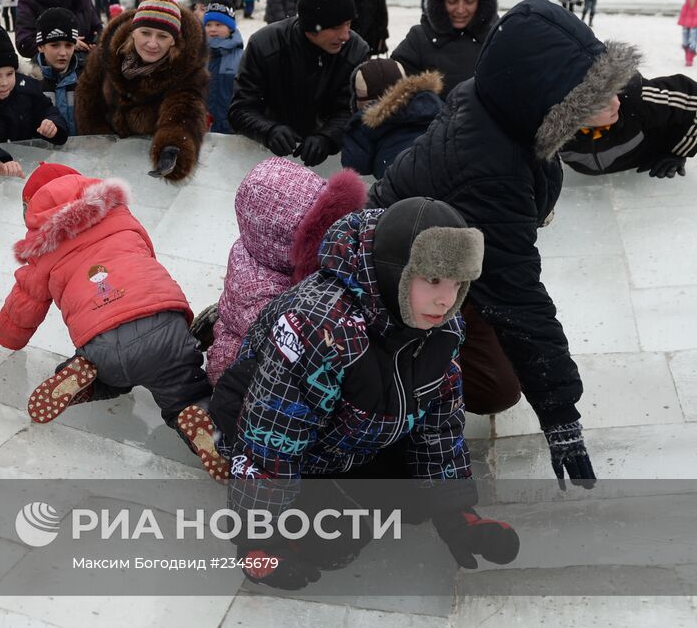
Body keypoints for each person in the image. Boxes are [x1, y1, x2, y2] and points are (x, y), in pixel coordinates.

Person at [371, 0, 639, 486]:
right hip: (393, 281)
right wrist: (561, 417)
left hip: (445, 254)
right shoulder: (491, 169)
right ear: (546, 100)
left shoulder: (497, 103)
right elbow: (519, 296)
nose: (615, 102)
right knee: (495, 389)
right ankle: (407, 383)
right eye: (594, 96)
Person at [210, 199, 519, 591]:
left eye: (458, 283)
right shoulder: (322, 326)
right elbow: (272, 436)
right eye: (435, 280)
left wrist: (454, 510)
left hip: (355, 433)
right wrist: (257, 537)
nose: (447, 299)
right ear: (397, 272)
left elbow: (439, 419)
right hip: (271, 429)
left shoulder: (443, 325)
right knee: (332, 541)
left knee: (418, 501)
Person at [0, 163, 228, 481]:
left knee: (113, 376)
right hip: (162, 323)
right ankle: (200, 422)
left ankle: (82, 378)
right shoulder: (118, 215)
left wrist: (6, 336)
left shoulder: (42, 250)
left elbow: (25, 303)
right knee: (186, 394)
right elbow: (146, 256)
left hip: (100, 338)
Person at [202, 158, 366, 384]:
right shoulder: (258, 295)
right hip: (248, 360)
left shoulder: (265, 249)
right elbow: (302, 349)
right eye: (325, 236)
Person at [229, 0, 369, 167]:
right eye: (336, 27)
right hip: (266, 162)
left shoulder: (355, 51)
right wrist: (269, 130)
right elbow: (240, 109)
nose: (345, 35)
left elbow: (352, 110)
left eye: (348, 24)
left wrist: (327, 137)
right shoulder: (264, 46)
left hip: (329, 166)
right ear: (312, 27)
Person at [75, 0, 208, 181]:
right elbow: (87, 96)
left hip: (145, 159)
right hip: (107, 159)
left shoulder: (186, 71)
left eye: (162, 36)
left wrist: (172, 148)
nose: (152, 43)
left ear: (173, 40)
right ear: (133, 32)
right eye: (146, 33)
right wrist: (97, 140)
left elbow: (184, 113)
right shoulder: (106, 56)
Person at [0, 21, 68, 177]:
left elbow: (47, 109)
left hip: (29, 168)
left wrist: (53, 125)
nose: (4, 82)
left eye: (10, 74)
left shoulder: (26, 89)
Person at [391, 0, 499, 96]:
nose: (460, 10)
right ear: (440, 2)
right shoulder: (419, 38)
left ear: (482, 2)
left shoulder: (497, 38)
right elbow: (392, 88)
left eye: (469, 1)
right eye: (452, 1)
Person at [559, 72, 697, 178]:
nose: (616, 103)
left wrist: (678, 151)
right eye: (602, 102)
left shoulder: (635, 101)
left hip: (647, 156)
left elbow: (693, 99)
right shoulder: (548, 122)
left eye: (614, 94)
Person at [340, 59, 445, 179]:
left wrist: (357, 124)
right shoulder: (433, 106)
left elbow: (355, 166)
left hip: (402, 188)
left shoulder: (365, 125)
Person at [34, 7, 85, 132]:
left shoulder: (86, 78)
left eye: (68, 45)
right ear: (41, 46)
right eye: (55, 45)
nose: (63, 53)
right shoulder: (29, 81)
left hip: (81, 150)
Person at [203, 0, 245, 134]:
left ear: (230, 28)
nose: (212, 29)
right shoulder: (198, 57)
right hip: (202, 129)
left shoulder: (242, 59)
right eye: (208, 25)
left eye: (219, 24)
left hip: (231, 130)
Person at [680, 0, 697, 67]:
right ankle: (689, 53)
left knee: (694, 36)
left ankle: (689, 58)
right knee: (685, 34)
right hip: (687, 12)